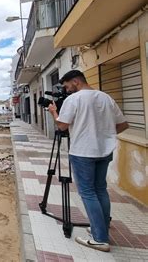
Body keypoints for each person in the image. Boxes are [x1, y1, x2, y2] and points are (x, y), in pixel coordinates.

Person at [48, 70, 129, 252]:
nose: (67, 90)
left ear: (76, 81)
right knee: (100, 189)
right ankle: (101, 227)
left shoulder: (74, 100)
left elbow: (62, 125)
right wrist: (105, 134)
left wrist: (54, 112)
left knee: (88, 192)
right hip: (104, 151)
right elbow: (124, 124)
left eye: (68, 86)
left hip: (83, 152)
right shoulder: (106, 98)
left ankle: (100, 238)